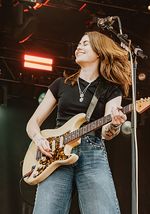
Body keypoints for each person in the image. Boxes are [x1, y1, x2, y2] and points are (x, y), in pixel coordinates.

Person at [26, 31, 131, 214]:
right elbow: (33, 122)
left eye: (85, 44)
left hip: (92, 152)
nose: (78, 47)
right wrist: (38, 139)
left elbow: (107, 132)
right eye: (79, 43)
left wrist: (114, 124)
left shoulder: (111, 90)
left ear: (99, 51)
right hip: (55, 153)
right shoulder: (61, 83)